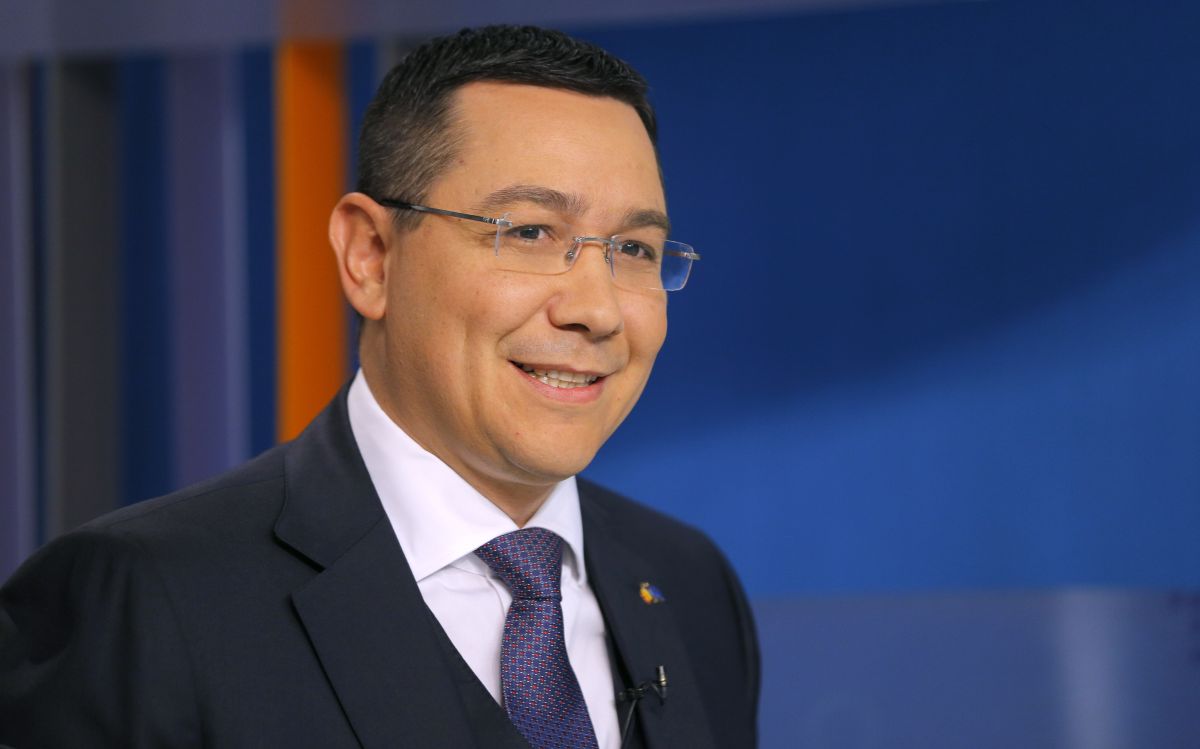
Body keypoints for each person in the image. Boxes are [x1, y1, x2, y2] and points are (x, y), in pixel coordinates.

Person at [0, 25, 759, 748]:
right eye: (529, 232)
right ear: (370, 256)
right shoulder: (145, 596)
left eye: (634, 249)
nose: (597, 309)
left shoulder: (691, 584)